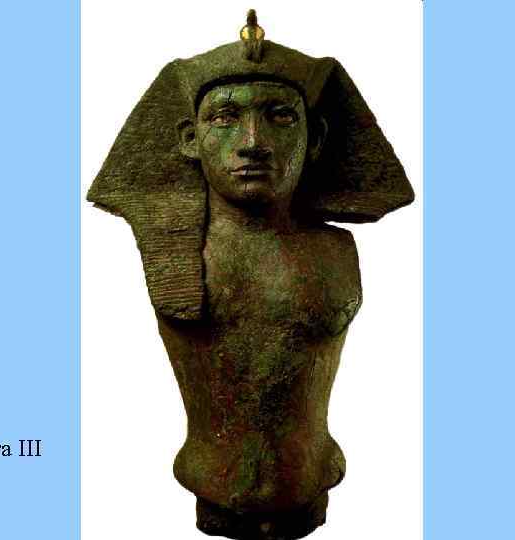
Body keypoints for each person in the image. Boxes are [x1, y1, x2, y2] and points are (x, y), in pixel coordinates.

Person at [87, 11, 413, 540]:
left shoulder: (335, 249)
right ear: (189, 139)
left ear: (315, 137)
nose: (253, 141)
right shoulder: (176, 252)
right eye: (225, 118)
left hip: (312, 483)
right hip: (211, 487)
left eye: (280, 116)